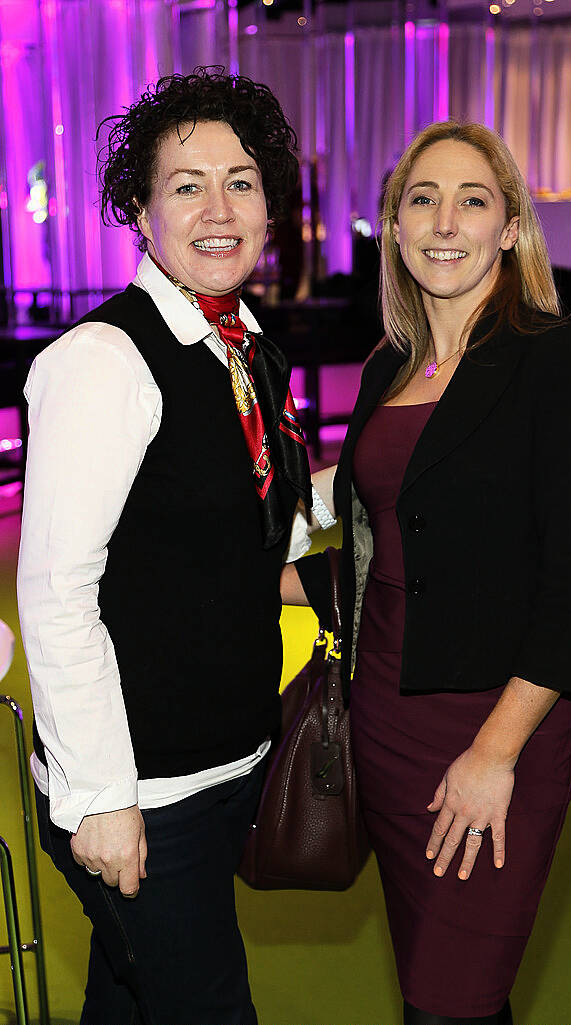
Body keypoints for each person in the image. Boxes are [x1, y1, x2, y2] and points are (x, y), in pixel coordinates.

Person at [282, 121, 571, 1025]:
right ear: (393, 226)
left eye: (472, 199)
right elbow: (385, 554)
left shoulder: (561, 361)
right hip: (382, 722)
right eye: (421, 199)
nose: (444, 220)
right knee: (433, 995)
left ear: (510, 226)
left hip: (494, 729)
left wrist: (495, 750)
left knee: (452, 1000)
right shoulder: (386, 369)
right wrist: (228, 577)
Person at [17, 67, 312, 1025]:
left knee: (133, 1001)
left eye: (242, 180)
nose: (219, 208)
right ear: (141, 213)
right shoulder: (104, 362)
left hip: (226, 763)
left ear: (270, 204)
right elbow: (58, 592)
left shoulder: (245, 345)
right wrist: (103, 796)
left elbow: (256, 536)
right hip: (140, 785)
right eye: (187, 184)